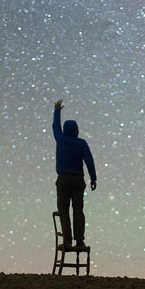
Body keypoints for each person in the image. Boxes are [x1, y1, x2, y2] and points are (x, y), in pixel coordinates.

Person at [52, 98, 96, 250]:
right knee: (78, 210)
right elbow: (89, 161)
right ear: (77, 131)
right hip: (78, 180)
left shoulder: (60, 139)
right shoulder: (81, 143)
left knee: (64, 211)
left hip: (63, 179)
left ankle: (67, 240)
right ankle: (80, 240)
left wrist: (57, 110)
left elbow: (55, 126)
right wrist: (93, 178)